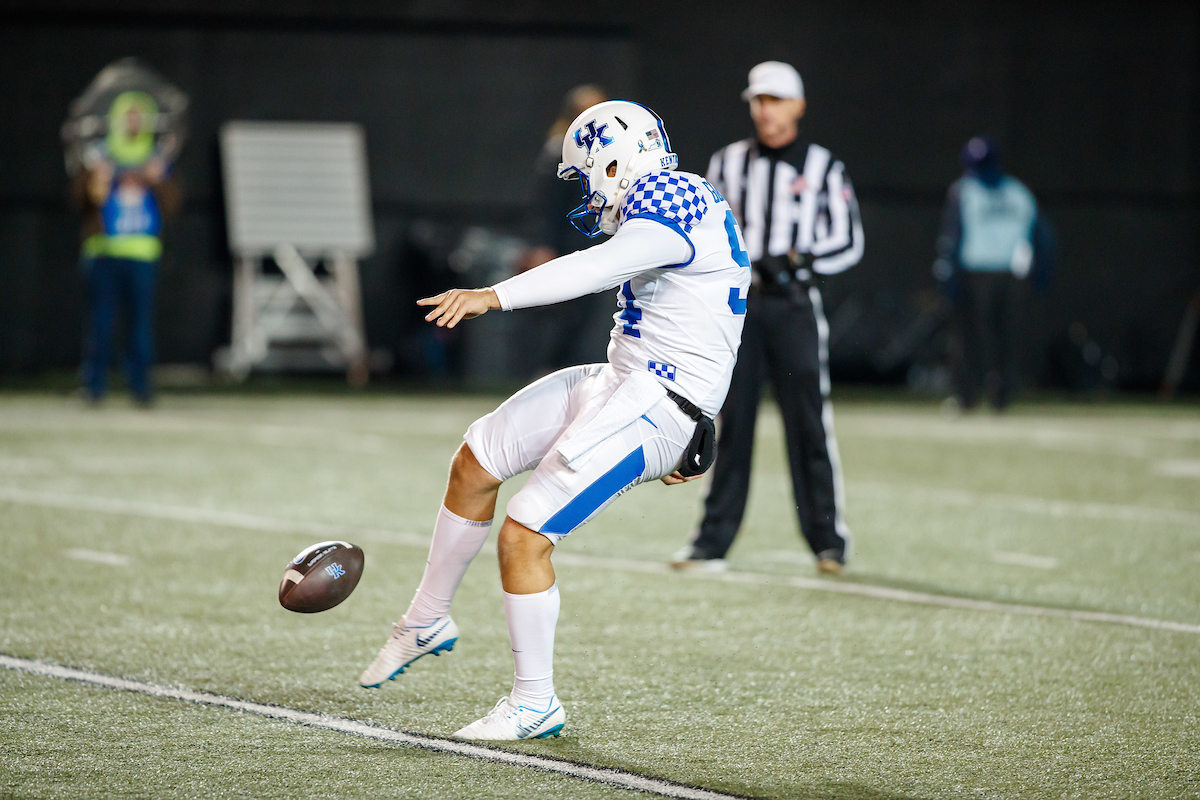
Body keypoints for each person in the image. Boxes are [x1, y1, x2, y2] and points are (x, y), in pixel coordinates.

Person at [359, 101, 750, 740]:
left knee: (524, 534)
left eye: (586, 175)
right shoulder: (669, 198)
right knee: (477, 459)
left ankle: (534, 702)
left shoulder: (676, 199)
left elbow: (594, 270)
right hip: (624, 381)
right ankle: (426, 619)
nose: (586, 192)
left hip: (656, 405)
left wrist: (493, 295)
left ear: (615, 163)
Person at [670, 61, 863, 576]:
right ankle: (711, 541)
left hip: (794, 305)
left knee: (808, 422)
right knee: (731, 420)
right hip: (739, 308)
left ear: (798, 106)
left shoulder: (823, 166)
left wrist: (799, 260)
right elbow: (705, 226)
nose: (765, 110)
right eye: (758, 100)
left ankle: (828, 541)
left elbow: (848, 240)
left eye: (775, 100)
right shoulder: (728, 162)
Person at [72, 90, 179, 406]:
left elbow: (172, 203)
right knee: (100, 325)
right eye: (128, 116)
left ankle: (141, 389)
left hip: (141, 253)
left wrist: (157, 180)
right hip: (103, 251)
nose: (133, 122)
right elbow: (82, 201)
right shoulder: (100, 155)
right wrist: (96, 184)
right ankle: (94, 388)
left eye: (138, 116)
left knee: (140, 328)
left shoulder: (154, 157)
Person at [934, 136, 1050, 411]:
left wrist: (1042, 269)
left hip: (1001, 275)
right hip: (984, 274)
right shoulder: (971, 190)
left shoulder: (1013, 192)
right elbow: (951, 235)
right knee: (974, 337)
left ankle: (997, 396)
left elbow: (1042, 235)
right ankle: (972, 395)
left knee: (1001, 337)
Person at [514, 84, 613, 378]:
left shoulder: (603, 152)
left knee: (582, 318)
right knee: (559, 317)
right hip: (564, 246)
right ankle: (545, 374)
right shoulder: (560, 150)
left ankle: (567, 376)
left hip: (591, 244)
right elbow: (546, 206)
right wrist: (541, 246)